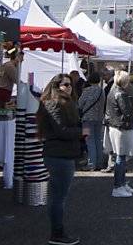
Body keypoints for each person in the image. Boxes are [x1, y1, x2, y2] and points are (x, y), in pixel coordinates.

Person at [36, 73, 84, 245]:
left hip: (62, 154)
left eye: (70, 84)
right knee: (58, 197)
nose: (68, 87)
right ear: (56, 86)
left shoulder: (64, 104)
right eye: (64, 84)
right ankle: (57, 234)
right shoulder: (54, 104)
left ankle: (57, 232)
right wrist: (81, 133)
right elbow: (61, 131)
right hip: (58, 155)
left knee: (58, 196)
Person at [104, 71, 133, 197]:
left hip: (115, 126)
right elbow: (128, 113)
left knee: (120, 157)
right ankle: (118, 186)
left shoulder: (113, 91)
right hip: (121, 127)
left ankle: (122, 184)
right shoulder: (121, 94)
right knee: (120, 158)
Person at [77, 70, 107, 171]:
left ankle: (91, 163)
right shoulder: (101, 91)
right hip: (99, 119)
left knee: (88, 140)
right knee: (98, 140)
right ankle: (99, 163)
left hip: (86, 119)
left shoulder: (87, 90)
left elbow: (80, 104)